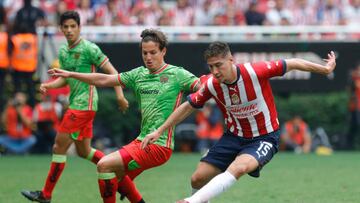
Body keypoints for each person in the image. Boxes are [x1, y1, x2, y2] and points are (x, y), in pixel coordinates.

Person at [141, 41, 336, 203]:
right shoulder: (211, 84)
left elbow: (292, 63)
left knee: (239, 167)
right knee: (197, 178)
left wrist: (324, 69)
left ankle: (191, 202)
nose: (215, 71)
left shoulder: (255, 71)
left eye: (219, 65)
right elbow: (188, 106)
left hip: (264, 138)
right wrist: (160, 131)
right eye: (211, 67)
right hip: (233, 137)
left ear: (231, 60)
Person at [47, 28, 201, 203]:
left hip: (159, 145)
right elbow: (103, 79)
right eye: (145, 53)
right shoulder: (138, 74)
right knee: (116, 177)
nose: (148, 57)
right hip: (142, 141)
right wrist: (71, 74)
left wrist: (210, 86)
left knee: (104, 165)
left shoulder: (177, 74)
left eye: (153, 52)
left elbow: (201, 87)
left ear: (163, 51)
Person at [21, 11, 128, 203]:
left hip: (83, 106)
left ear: (79, 27)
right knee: (84, 151)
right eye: (66, 27)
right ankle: (120, 173)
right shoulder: (63, 51)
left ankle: (46, 194)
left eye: (73, 26)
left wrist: (120, 95)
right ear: (61, 29)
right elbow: (64, 80)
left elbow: (112, 72)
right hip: (78, 105)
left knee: (58, 146)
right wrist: (48, 85)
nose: (70, 30)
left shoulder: (90, 49)